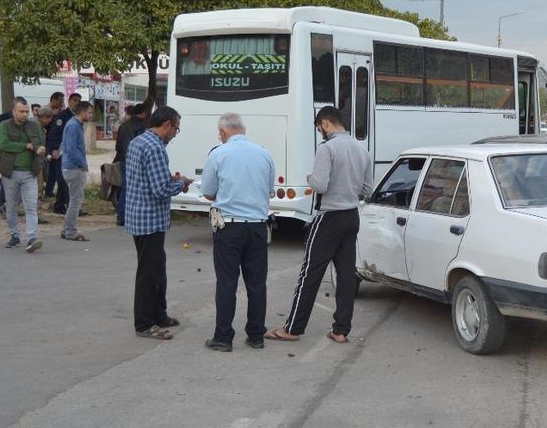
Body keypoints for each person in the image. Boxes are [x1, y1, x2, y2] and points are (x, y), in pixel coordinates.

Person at [268, 106, 373, 344]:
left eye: (319, 128)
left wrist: (310, 179)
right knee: (346, 274)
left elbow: (321, 185)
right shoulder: (361, 149)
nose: (320, 133)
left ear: (325, 123)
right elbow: (368, 189)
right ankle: (341, 330)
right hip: (351, 215)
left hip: (329, 217)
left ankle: (293, 328)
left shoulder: (327, 148)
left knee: (310, 273)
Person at [202, 113, 275, 352]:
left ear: (223, 132)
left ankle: (223, 337)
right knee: (257, 284)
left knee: (226, 283)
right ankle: (256, 336)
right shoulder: (264, 154)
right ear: (243, 130)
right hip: (257, 226)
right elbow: (269, 189)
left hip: (229, 227)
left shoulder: (218, 154)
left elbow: (209, 193)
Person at [125, 106, 192, 340]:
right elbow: (160, 189)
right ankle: (144, 323)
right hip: (149, 220)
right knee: (149, 273)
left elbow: (146, 179)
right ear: (166, 125)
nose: (175, 133)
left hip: (139, 215)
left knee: (157, 269)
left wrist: (169, 179)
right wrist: (181, 183)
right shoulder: (155, 148)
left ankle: (159, 314)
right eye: (176, 128)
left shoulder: (139, 141)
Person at [0, 97, 45, 253]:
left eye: (27, 111)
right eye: (22, 111)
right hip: (10, 173)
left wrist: (40, 149)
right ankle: (14, 235)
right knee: (11, 208)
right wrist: (26, 146)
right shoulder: (4, 125)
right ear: (13, 111)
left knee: (31, 207)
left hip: (30, 173)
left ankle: (32, 237)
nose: (25, 114)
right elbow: (4, 145)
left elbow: (40, 142)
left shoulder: (34, 125)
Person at [113, 103, 149, 226]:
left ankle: (122, 216)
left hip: (123, 160)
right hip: (134, 161)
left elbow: (117, 146)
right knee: (132, 189)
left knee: (126, 188)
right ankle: (126, 216)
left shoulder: (123, 125)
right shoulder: (141, 126)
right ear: (144, 113)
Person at [60, 101, 92, 242]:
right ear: (83, 112)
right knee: (75, 202)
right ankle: (71, 232)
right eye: (89, 112)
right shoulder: (73, 126)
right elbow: (71, 150)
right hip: (74, 168)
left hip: (71, 167)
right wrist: (82, 164)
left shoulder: (75, 124)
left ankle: (66, 229)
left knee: (74, 200)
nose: (91, 115)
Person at [48, 92, 81, 214]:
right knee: (67, 179)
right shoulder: (63, 116)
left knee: (63, 180)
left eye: (78, 101)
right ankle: (70, 205)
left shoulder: (76, 116)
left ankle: (59, 205)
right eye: (74, 100)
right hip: (62, 151)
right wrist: (54, 149)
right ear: (70, 101)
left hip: (70, 151)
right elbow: (54, 134)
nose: (76, 103)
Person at [43, 92, 65, 199]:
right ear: (54, 100)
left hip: (53, 144)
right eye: (60, 101)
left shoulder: (57, 112)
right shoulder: (47, 111)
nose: (61, 103)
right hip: (48, 144)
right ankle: (48, 191)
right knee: (53, 169)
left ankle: (49, 191)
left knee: (53, 169)